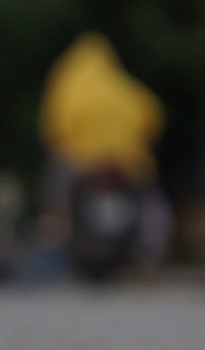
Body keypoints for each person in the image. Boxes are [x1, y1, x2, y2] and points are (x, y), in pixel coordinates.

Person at [38, 32, 172, 271]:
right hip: (126, 165)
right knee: (151, 202)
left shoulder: (68, 86)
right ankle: (149, 250)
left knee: (58, 191)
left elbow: (53, 130)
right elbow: (154, 119)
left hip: (83, 165)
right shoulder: (124, 87)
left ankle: (60, 227)